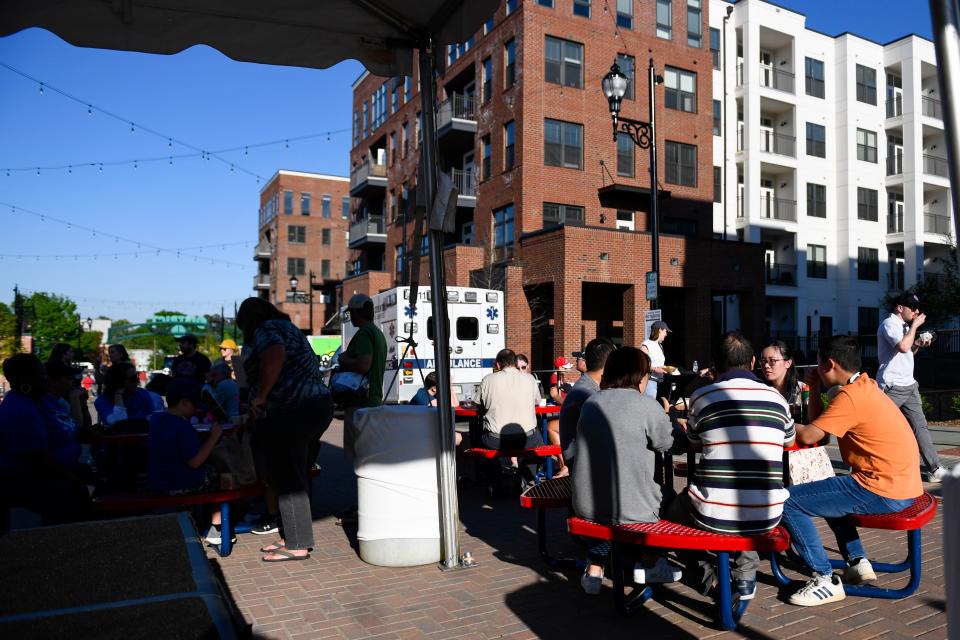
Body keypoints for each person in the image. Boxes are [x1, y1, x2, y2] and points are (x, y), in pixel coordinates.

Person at [781, 336, 922, 606]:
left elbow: (810, 435)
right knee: (826, 492)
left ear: (829, 363)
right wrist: (813, 385)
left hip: (882, 489)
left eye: (819, 363)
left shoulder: (850, 397)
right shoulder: (864, 386)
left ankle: (824, 579)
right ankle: (857, 561)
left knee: (788, 502)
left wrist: (774, 420)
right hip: (901, 484)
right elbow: (819, 431)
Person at [667, 331, 794, 602]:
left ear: (715, 365)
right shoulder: (777, 399)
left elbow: (694, 443)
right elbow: (788, 441)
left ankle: (710, 579)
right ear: (751, 362)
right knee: (745, 505)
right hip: (769, 512)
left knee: (672, 517)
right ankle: (746, 577)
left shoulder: (702, 397)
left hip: (712, 512)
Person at [572, 346, 679, 595]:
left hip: (586, 503)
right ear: (639, 376)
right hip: (629, 509)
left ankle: (595, 567)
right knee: (670, 499)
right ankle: (652, 561)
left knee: (608, 501)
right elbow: (667, 443)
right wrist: (664, 415)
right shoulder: (646, 405)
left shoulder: (591, 403)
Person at [236, 297, 334, 562]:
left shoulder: (266, 329)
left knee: (289, 477)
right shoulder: (286, 327)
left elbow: (274, 356)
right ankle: (291, 535)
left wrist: (260, 397)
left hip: (295, 410)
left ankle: (297, 544)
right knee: (293, 474)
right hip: (315, 406)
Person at [0, 354, 89, 524]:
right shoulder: (19, 409)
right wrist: (76, 481)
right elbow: (39, 459)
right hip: (30, 480)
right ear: (25, 379)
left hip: (64, 469)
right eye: (41, 375)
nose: (46, 378)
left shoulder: (43, 400)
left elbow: (70, 426)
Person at [876, 292, 946, 483]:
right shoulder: (889, 324)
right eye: (913, 308)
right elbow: (902, 347)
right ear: (900, 308)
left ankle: (934, 468)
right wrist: (914, 328)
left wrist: (918, 343)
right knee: (877, 427)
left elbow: (908, 351)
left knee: (920, 427)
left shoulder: (905, 326)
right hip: (891, 386)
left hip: (909, 384)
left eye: (917, 308)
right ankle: (863, 466)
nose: (916, 312)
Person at [760, 341, 834, 485]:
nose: (766, 365)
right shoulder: (760, 393)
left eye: (772, 361)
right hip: (770, 461)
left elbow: (820, 429)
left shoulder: (803, 390)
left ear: (788, 363)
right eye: (763, 361)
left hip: (803, 462)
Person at [476, 348, 542, 488]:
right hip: (527, 439)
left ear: (498, 365)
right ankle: (527, 477)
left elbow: (479, 406)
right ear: (514, 362)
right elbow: (537, 401)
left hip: (496, 440)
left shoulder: (488, 380)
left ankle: (495, 479)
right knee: (539, 438)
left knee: (479, 438)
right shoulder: (530, 379)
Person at [557, 337, 617, 477]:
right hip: (587, 471)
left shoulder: (588, 387)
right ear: (608, 363)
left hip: (584, 464)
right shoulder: (590, 394)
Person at [337, 294, 387, 458]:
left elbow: (363, 364)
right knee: (370, 456)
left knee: (358, 457)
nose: (351, 316)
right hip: (372, 402)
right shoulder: (377, 333)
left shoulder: (364, 334)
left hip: (360, 405)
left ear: (357, 312)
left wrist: (344, 358)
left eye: (351, 312)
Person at [94, 362, 155, 427]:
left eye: (137, 376)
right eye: (133, 379)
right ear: (119, 382)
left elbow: (152, 422)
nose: (137, 381)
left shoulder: (142, 394)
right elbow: (119, 424)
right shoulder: (102, 401)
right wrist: (118, 395)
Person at [640, 321, 670, 402]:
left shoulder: (660, 345)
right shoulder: (646, 345)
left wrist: (666, 368)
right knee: (649, 407)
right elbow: (643, 364)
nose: (666, 334)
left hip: (660, 382)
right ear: (660, 330)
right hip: (650, 382)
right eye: (665, 331)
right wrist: (655, 369)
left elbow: (659, 364)